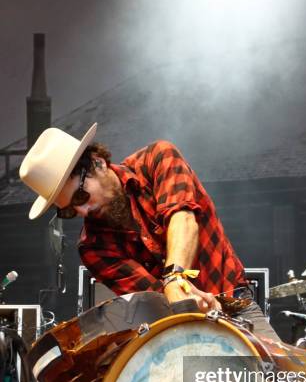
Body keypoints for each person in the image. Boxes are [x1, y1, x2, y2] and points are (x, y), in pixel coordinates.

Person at [19, 123, 279, 340]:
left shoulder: (158, 158)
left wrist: (176, 278)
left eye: (80, 196)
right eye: (70, 210)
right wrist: (179, 294)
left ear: (97, 163)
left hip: (233, 301)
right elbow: (158, 300)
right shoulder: (93, 248)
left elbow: (183, 218)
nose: (83, 211)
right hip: (177, 326)